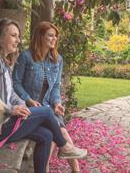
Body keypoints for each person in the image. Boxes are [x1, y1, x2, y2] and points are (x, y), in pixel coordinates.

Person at [0, 18, 87, 173]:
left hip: (4, 120)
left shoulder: (2, 61)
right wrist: (11, 108)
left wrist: (20, 104)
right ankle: (65, 146)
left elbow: (11, 92)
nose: (18, 41)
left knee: (46, 136)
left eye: (18, 36)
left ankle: (64, 150)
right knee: (47, 113)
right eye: (14, 35)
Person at [12, 21, 81, 172]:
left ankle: (73, 168)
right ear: (40, 36)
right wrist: (28, 99)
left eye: (55, 36)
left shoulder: (57, 60)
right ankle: (75, 168)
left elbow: (55, 86)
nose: (54, 39)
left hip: (49, 107)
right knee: (59, 133)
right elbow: (15, 82)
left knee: (54, 135)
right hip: (30, 108)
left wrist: (57, 102)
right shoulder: (26, 57)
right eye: (50, 35)